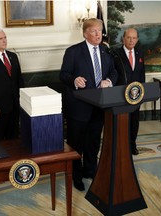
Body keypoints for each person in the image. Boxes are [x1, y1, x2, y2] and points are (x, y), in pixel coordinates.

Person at [59, 18, 118, 191]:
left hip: (99, 106)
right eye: (94, 31)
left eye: (100, 30)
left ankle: (90, 171)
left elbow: (114, 71)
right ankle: (76, 176)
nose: (98, 34)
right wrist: (74, 80)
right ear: (85, 33)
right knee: (76, 145)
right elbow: (63, 74)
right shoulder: (73, 52)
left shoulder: (106, 51)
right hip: (78, 108)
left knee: (93, 143)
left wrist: (108, 80)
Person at [114, 28, 146, 155]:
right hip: (120, 94)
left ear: (137, 39)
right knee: (121, 122)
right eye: (129, 37)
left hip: (136, 95)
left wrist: (142, 91)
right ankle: (120, 145)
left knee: (134, 121)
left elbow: (141, 73)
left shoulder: (140, 53)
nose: (131, 40)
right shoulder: (116, 54)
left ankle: (132, 144)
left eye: (134, 38)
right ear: (123, 38)